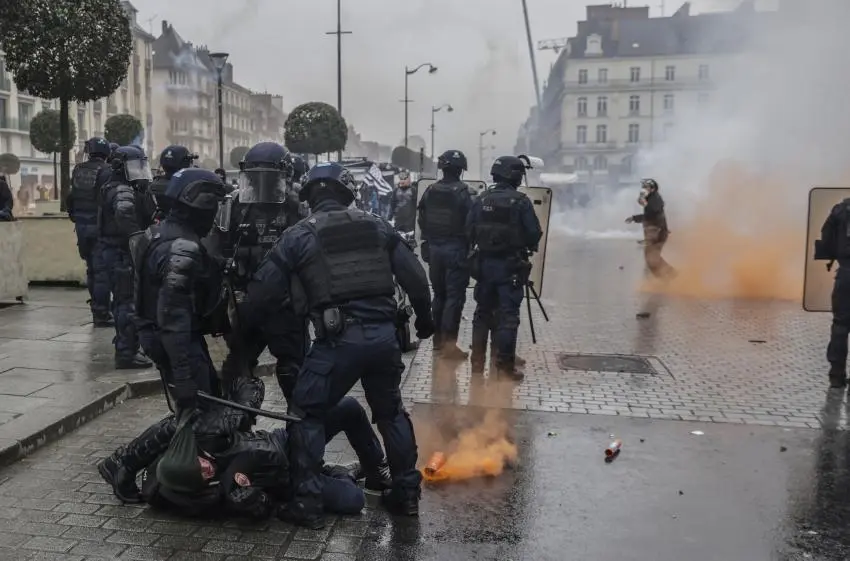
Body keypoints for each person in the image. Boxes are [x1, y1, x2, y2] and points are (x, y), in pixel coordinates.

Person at [239, 162, 435, 527]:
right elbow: (417, 279)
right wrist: (425, 321)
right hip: (385, 340)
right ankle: (405, 495)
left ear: (310, 196)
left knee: (305, 414)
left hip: (338, 342)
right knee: (391, 412)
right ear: (348, 193)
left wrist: (243, 340)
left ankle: (307, 503)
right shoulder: (378, 226)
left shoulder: (300, 235)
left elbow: (260, 295)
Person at [98, 376, 389, 518]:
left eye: (201, 461)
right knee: (353, 500)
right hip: (290, 481)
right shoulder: (212, 496)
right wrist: (254, 502)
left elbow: (250, 383)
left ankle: (377, 467)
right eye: (203, 473)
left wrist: (238, 413)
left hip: (284, 440)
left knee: (349, 407)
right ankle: (339, 472)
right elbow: (260, 511)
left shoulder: (202, 439)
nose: (207, 466)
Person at [210, 142, 308, 398]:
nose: (262, 184)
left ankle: (300, 425)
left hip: (285, 303)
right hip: (246, 300)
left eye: (269, 177)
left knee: (292, 367)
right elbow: (215, 249)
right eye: (256, 177)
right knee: (239, 368)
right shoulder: (232, 205)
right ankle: (234, 422)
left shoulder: (298, 206)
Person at [131, 168, 229, 408]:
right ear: (201, 205)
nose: (216, 213)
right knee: (206, 419)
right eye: (214, 205)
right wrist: (184, 376)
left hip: (159, 336)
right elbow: (174, 320)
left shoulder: (156, 232)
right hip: (176, 342)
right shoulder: (182, 249)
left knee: (206, 402)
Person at [467, 156, 542, 381]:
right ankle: (504, 367)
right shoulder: (520, 201)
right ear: (515, 176)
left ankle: (477, 366)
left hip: (484, 267)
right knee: (508, 318)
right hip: (510, 267)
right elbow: (533, 233)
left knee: (482, 314)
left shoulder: (481, 199)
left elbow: (468, 231)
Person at [98, 145, 156, 369]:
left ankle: (126, 345)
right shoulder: (122, 190)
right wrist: (140, 243)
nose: (139, 171)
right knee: (127, 303)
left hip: (115, 251)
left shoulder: (115, 186)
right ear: (120, 167)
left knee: (123, 302)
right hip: (122, 253)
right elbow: (125, 217)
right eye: (135, 166)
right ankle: (126, 352)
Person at [417, 150, 475, 358]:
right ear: (460, 170)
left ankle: (437, 342)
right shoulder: (464, 193)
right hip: (456, 251)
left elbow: (422, 219)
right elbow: (472, 224)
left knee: (439, 296)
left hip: (435, 251)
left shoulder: (430, 191)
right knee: (454, 298)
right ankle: (449, 347)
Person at [68, 137, 112, 325]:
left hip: (81, 226)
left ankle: (96, 308)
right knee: (101, 272)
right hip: (98, 226)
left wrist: (76, 217)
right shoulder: (107, 171)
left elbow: (71, 197)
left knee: (91, 270)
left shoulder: (78, 169)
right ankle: (101, 313)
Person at [815, 198, 850, 389]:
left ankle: (837, 376)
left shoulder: (841, 209)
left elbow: (826, 236)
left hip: (846, 275)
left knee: (840, 326)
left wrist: (832, 255)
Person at [625, 178, 676, 279]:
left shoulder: (655, 199)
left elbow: (652, 213)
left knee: (652, 258)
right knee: (652, 258)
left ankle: (671, 277)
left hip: (657, 233)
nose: (643, 189)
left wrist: (637, 215)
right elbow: (650, 214)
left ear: (652, 189)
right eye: (643, 187)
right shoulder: (652, 199)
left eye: (646, 187)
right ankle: (670, 276)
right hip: (655, 232)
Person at [150, 145, 197, 220]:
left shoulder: (153, 184)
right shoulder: (187, 189)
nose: (192, 165)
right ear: (185, 163)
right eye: (190, 162)